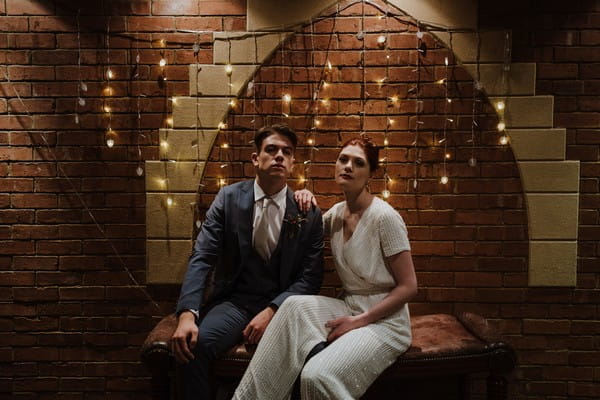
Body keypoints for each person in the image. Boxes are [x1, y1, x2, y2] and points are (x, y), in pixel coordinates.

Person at [233, 136, 418, 399]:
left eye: (358, 163)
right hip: (351, 305)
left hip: (386, 322)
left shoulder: (385, 217)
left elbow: (410, 287)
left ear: (370, 175)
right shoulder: (336, 214)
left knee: (316, 376)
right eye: (343, 159)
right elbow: (308, 223)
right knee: (293, 305)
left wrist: (359, 321)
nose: (348, 167)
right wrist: (304, 194)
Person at [170, 124, 324, 400]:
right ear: (256, 158)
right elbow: (202, 257)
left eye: (286, 152)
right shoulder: (228, 199)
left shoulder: (307, 212)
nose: (279, 156)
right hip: (236, 302)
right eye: (271, 150)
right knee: (197, 345)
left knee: (317, 358)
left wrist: (274, 310)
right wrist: (186, 314)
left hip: (284, 310)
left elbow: (310, 277)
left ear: (292, 162)